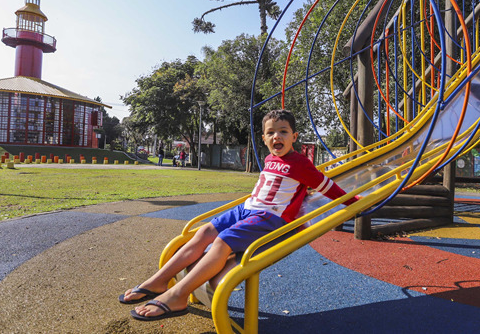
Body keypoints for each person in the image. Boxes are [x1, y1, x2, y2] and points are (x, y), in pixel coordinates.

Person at [119, 109, 360, 321]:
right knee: (204, 232)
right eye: (271, 132)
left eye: (284, 132)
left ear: (294, 137)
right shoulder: (269, 158)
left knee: (222, 243)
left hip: (270, 217)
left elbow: (327, 186)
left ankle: (177, 295)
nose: (278, 136)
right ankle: (159, 281)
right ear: (264, 138)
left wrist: (354, 201)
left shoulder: (300, 163)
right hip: (247, 208)